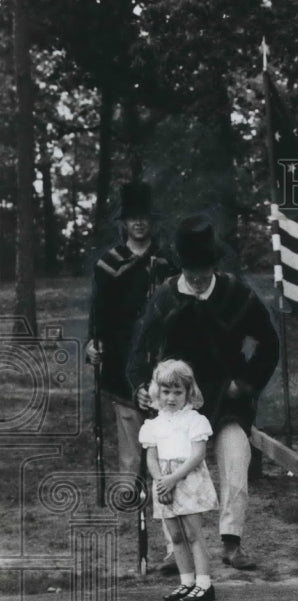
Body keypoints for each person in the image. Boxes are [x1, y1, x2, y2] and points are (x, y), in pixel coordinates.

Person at [128, 214, 280, 570]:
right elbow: (138, 351)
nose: (196, 279)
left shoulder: (236, 294)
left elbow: (269, 344)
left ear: (214, 265)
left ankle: (231, 542)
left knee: (236, 456)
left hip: (225, 399)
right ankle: (173, 549)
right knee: (171, 467)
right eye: (190, 271)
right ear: (182, 265)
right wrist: (139, 388)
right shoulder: (165, 296)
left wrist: (244, 384)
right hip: (175, 403)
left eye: (203, 270)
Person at [85, 181, 178, 570]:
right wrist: (94, 342)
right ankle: (136, 526)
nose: (138, 225)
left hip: (162, 367)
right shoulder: (110, 264)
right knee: (131, 456)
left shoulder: (166, 262)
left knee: (166, 456)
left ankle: (172, 539)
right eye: (132, 219)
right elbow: (99, 311)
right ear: (124, 224)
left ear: (151, 223)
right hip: (123, 364)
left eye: (144, 218)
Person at [139, 360, 218, 601]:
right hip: (165, 483)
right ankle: (187, 582)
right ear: (157, 392)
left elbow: (198, 455)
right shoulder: (153, 424)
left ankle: (205, 584)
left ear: (188, 392)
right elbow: (151, 457)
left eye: (177, 392)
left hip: (187, 479)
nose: (171, 398)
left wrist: (173, 478)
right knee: (175, 537)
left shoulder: (194, 420)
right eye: (166, 392)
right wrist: (161, 481)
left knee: (193, 534)